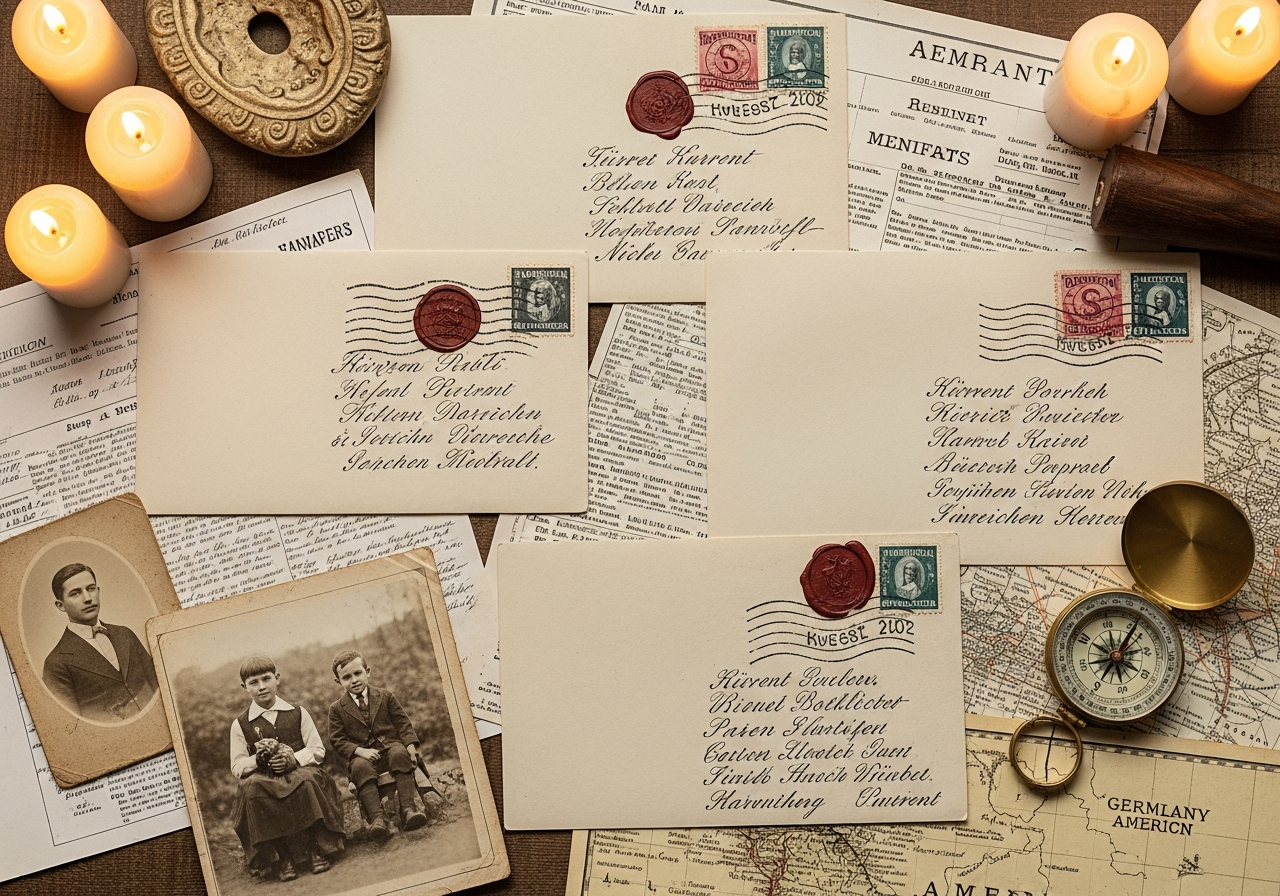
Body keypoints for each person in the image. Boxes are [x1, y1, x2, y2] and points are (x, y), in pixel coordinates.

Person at [229, 656, 345, 882]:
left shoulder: (298, 712)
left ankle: (314, 848)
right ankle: (282, 858)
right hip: (264, 776)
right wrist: (257, 761)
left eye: (266, 679)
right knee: (252, 789)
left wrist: (294, 760)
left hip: (299, 770)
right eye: (254, 682)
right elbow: (237, 766)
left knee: (307, 781)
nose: (262, 686)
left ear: (277, 679)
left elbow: (318, 750)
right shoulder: (240, 724)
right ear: (245, 688)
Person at [328, 650, 428, 841]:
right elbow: (337, 740)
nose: (354, 680)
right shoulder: (336, 709)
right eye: (346, 677)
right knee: (359, 767)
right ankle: (377, 820)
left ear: (368, 671)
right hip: (363, 757)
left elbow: (402, 723)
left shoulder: (385, 696)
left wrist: (411, 747)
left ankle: (408, 809)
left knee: (400, 754)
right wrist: (360, 751)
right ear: (338, 682)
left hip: (390, 748)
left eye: (358, 673)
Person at [41, 563, 157, 723]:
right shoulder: (56, 663)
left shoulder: (125, 634)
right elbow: (73, 725)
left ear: (98, 590)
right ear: (61, 605)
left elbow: (158, 684)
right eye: (75, 593)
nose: (88, 599)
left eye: (90, 588)